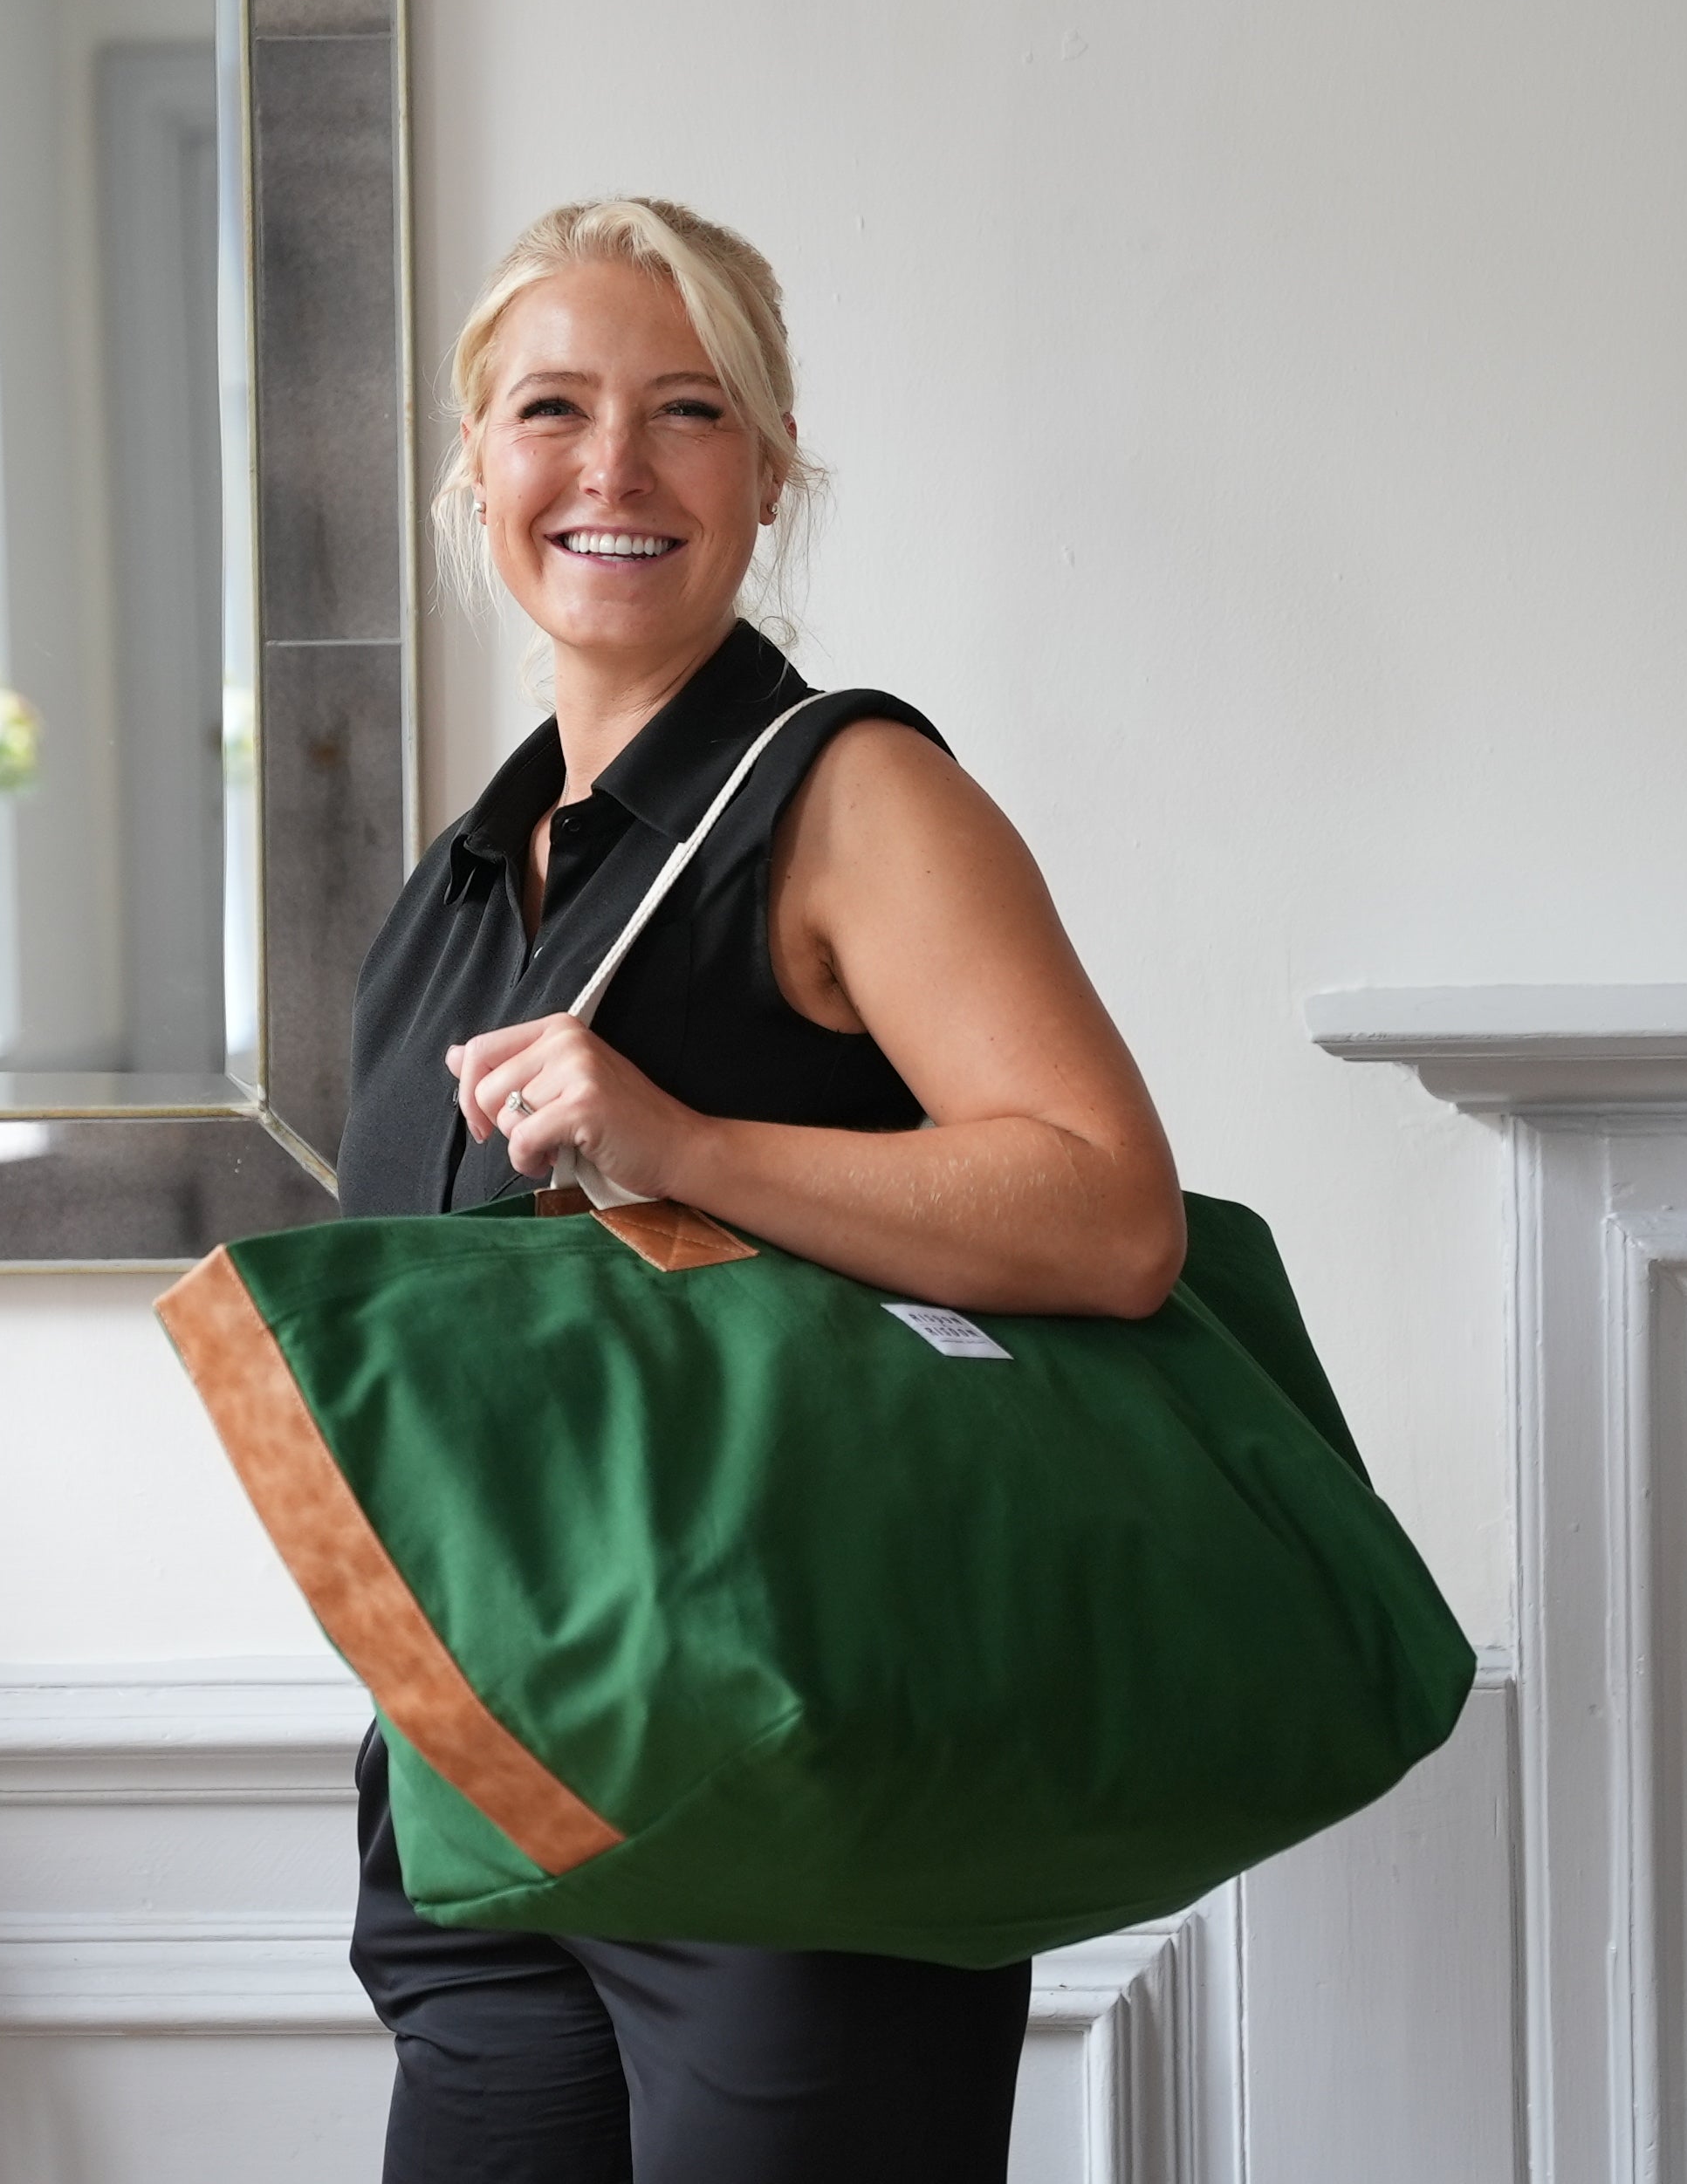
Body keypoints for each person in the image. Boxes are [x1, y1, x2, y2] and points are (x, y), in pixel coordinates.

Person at [335, 195, 1186, 2184]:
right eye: (549, 408)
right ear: (474, 466)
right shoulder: (459, 884)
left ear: (769, 471)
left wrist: (686, 1146)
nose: (612, 468)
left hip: (789, 1821)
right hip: (482, 1801)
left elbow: (1108, 1216)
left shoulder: (851, 796)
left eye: (687, 412)